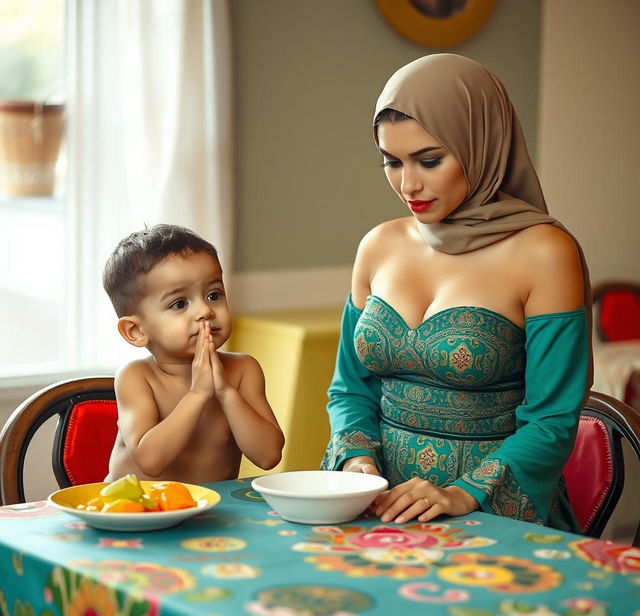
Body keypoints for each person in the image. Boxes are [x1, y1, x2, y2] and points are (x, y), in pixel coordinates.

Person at [321, 54, 592, 532]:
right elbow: (350, 388)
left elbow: (551, 420)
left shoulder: (547, 254)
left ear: (482, 143)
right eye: (391, 161)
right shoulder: (378, 245)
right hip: (374, 507)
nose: (409, 184)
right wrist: (357, 462)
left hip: (493, 513)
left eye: (429, 160)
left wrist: (462, 494)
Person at [102, 224, 284, 483]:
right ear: (136, 331)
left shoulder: (243, 371)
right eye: (179, 303)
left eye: (213, 295)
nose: (205, 311)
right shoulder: (137, 377)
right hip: (135, 512)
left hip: (211, 512)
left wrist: (226, 392)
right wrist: (198, 394)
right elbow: (151, 461)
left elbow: (268, 456)